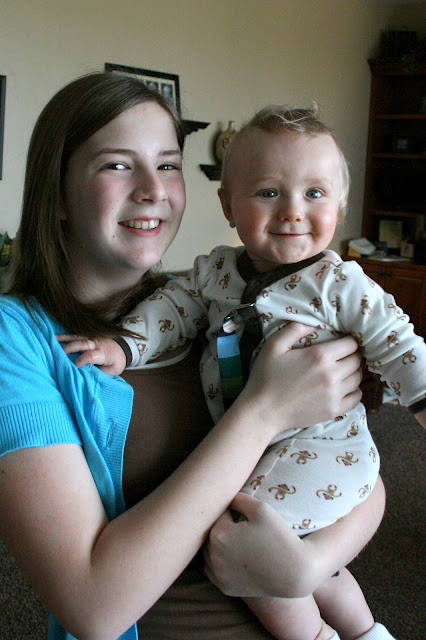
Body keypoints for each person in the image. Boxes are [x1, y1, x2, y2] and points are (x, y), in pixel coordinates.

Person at [0, 74, 386, 640]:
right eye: (117, 164)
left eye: (168, 164)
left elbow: (358, 471)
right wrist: (264, 412)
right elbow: (93, 609)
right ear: (56, 194)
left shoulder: (211, 302)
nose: (152, 189)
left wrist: (309, 567)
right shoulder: (15, 340)